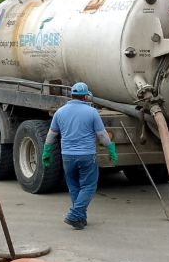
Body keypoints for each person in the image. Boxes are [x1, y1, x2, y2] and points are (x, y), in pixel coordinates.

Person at [42, 82, 118, 230]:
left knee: (74, 186)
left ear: (71, 95)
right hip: (87, 155)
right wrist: (111, 149)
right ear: (86, 97)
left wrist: (47, 150)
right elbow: (102, 134)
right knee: (89, 186)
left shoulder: (60, 112)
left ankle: (80, 218)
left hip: (67, 156)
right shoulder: (92, 112)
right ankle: (74, 214)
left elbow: (52, 134)